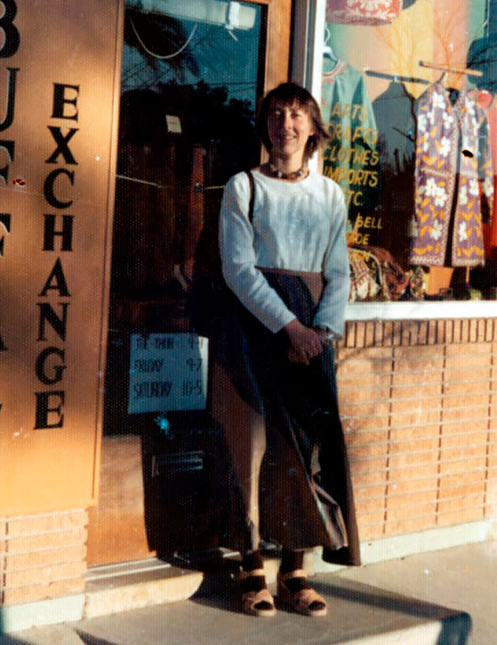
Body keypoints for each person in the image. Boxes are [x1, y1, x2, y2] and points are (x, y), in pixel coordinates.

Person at [212, 82, 360, 618]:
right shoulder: (243, 187)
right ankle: (251, 568)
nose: (286, 124)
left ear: (313, 128)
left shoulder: (330, 196)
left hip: (311, 339)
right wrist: (288, 326)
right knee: (246, 444)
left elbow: (338, 272)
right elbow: (237, 269)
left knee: (303, 448)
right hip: (255, 331)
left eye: (297, 115)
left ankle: (295, 569)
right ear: (265, 125)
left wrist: (321, 333)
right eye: (276, 115)